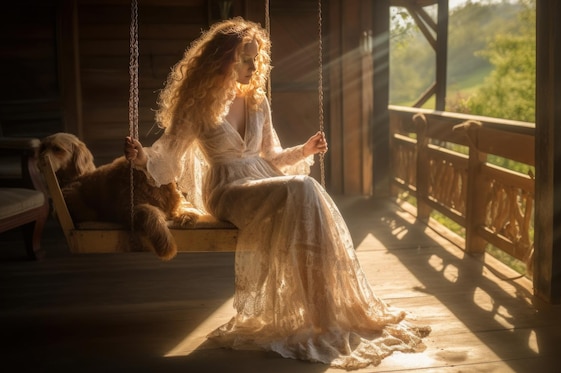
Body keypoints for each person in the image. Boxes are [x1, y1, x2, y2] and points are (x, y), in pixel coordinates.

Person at [124, 17, 430, 370]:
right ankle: (322, 309)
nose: (253, 66)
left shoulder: (258, 102)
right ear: (223, 59)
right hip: (227, 189)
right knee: (303, 190)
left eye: (256, 58)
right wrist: (143, 156)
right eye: (245, 58)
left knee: (305, 194)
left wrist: (305, 150)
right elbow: (170, 154)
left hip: (264, 179)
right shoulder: (197, 105)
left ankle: (324, 310)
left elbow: (271, 158)